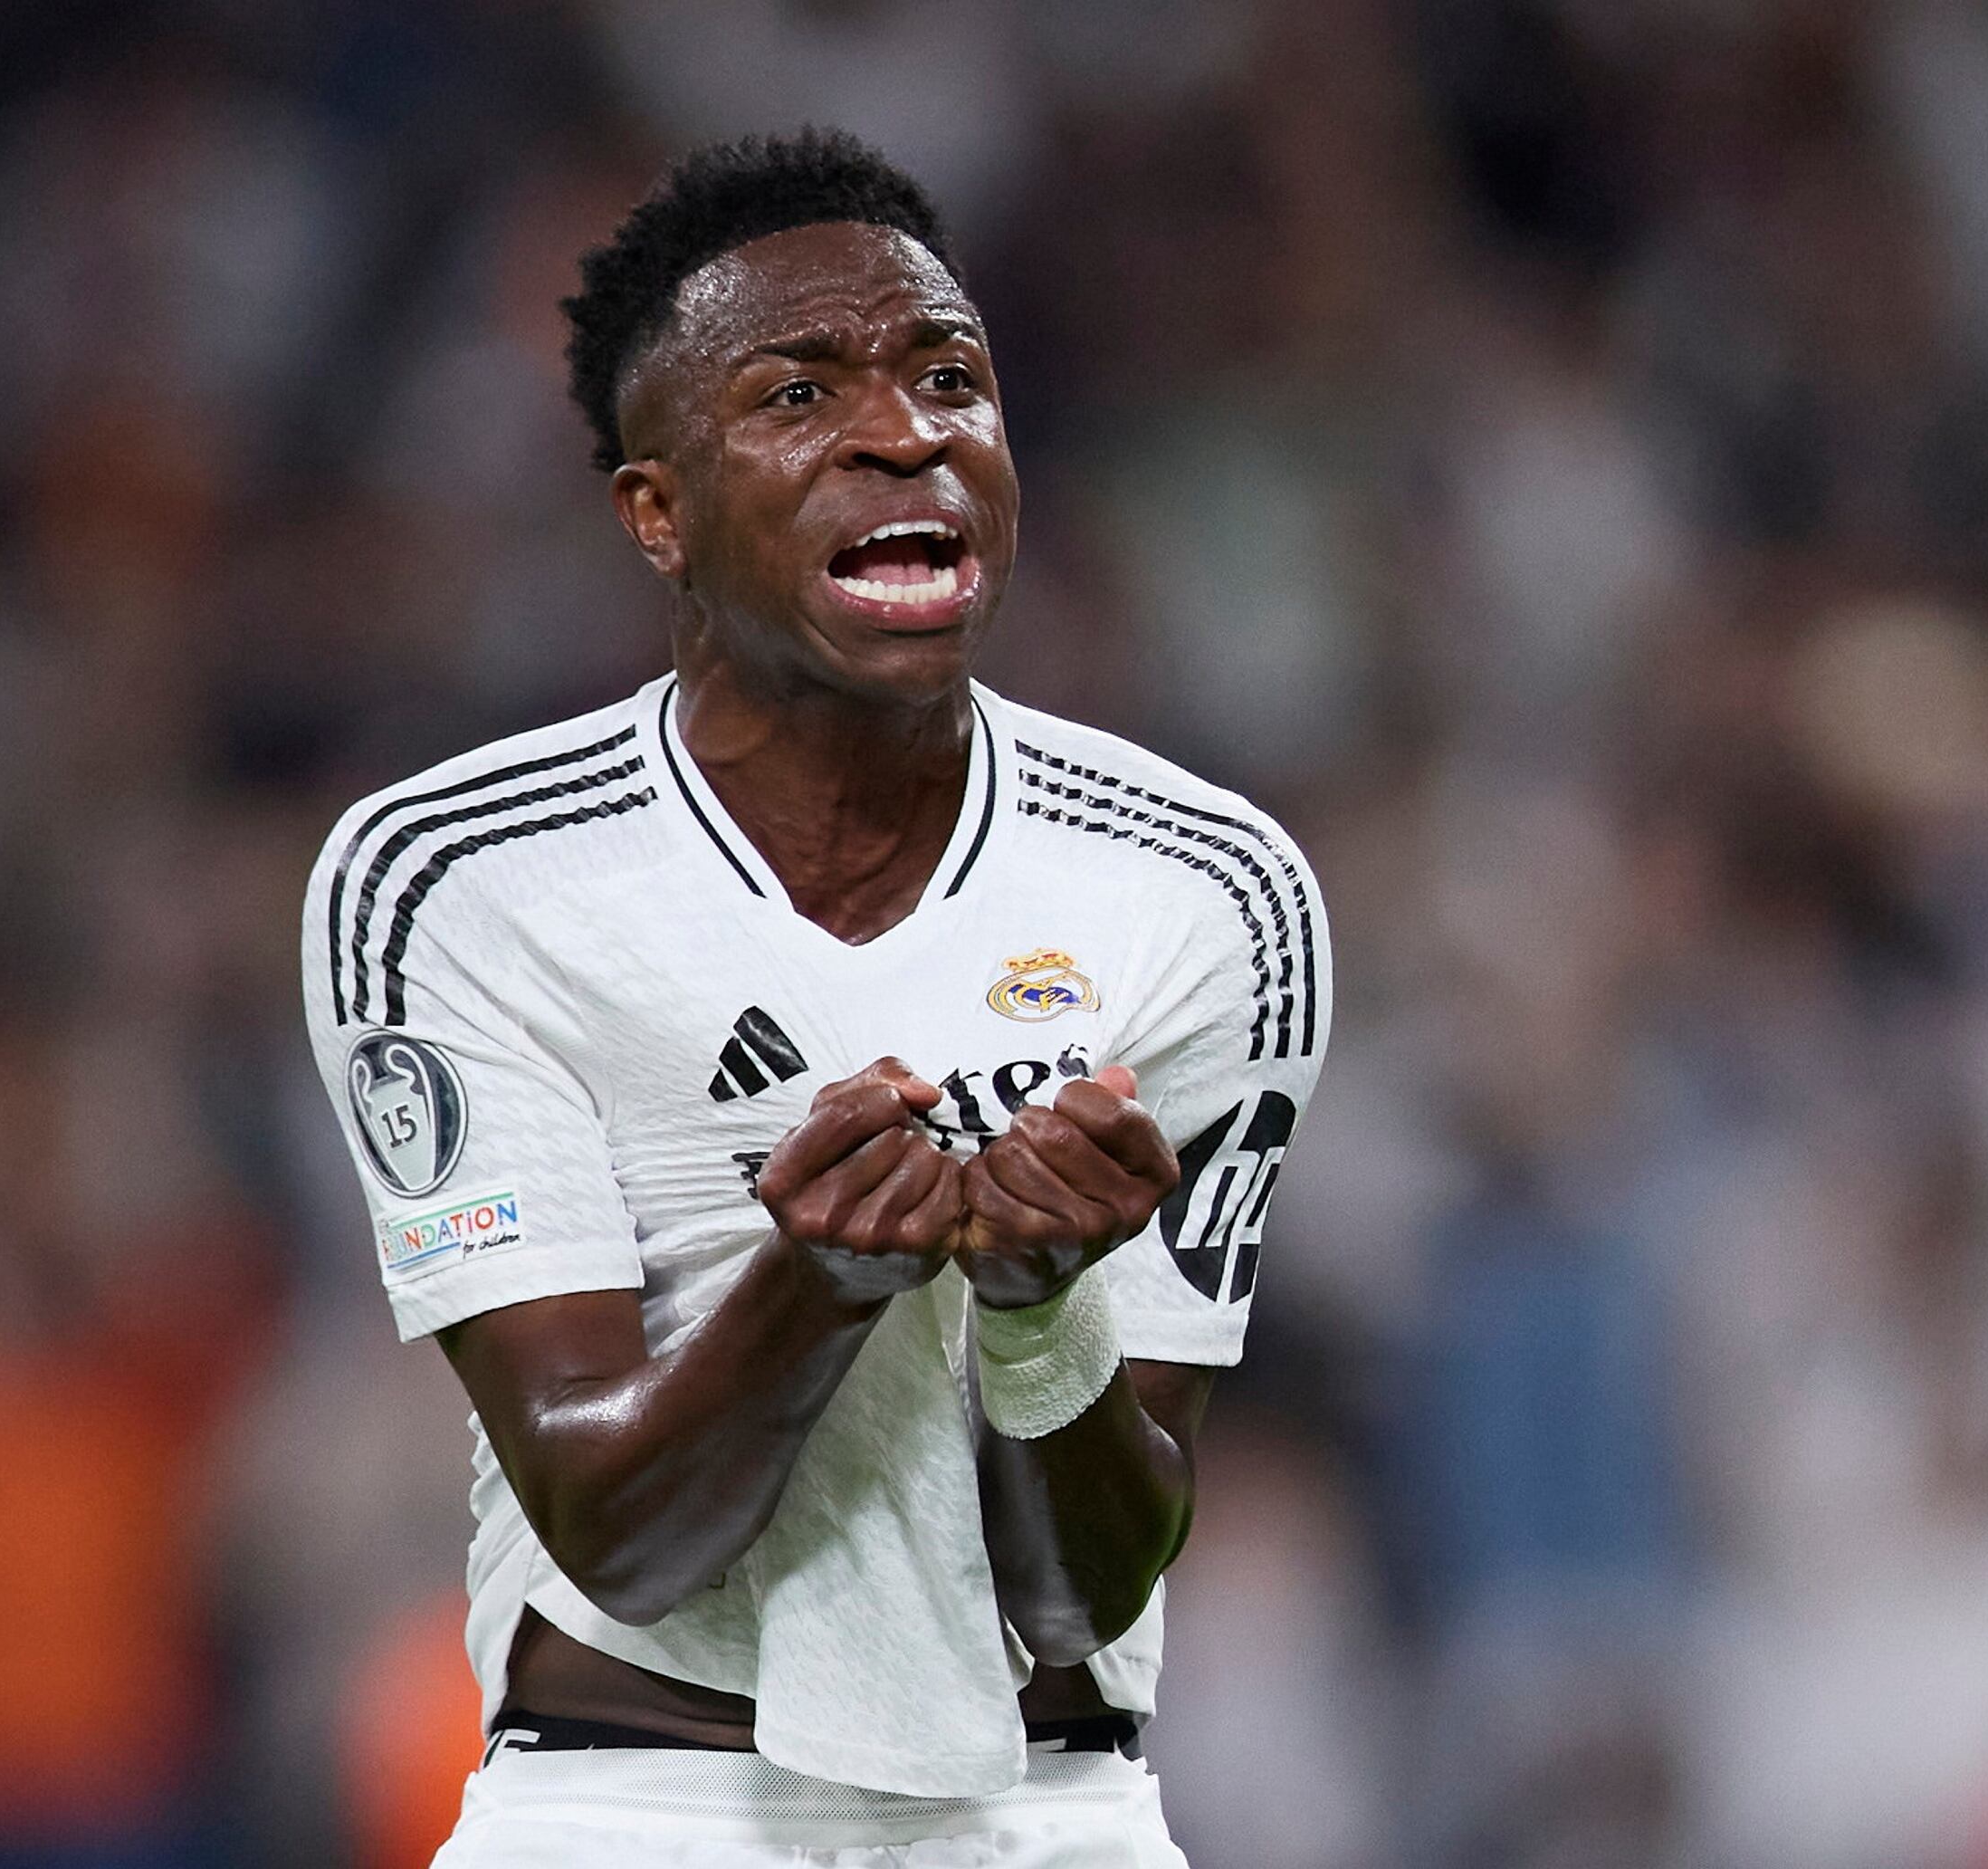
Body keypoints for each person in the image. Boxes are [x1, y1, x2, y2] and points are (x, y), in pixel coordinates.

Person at [301, 128, 1328, 1866]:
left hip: (1053, 1810)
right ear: (659, 513)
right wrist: (819, 1285)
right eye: (797, 395)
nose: (902, 432)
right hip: (633, 1804)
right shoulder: (454, 882)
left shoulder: (1212, 890)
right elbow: (615, 1532)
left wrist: (1036, 1314)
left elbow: (1083, 1590)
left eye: (951, 379)